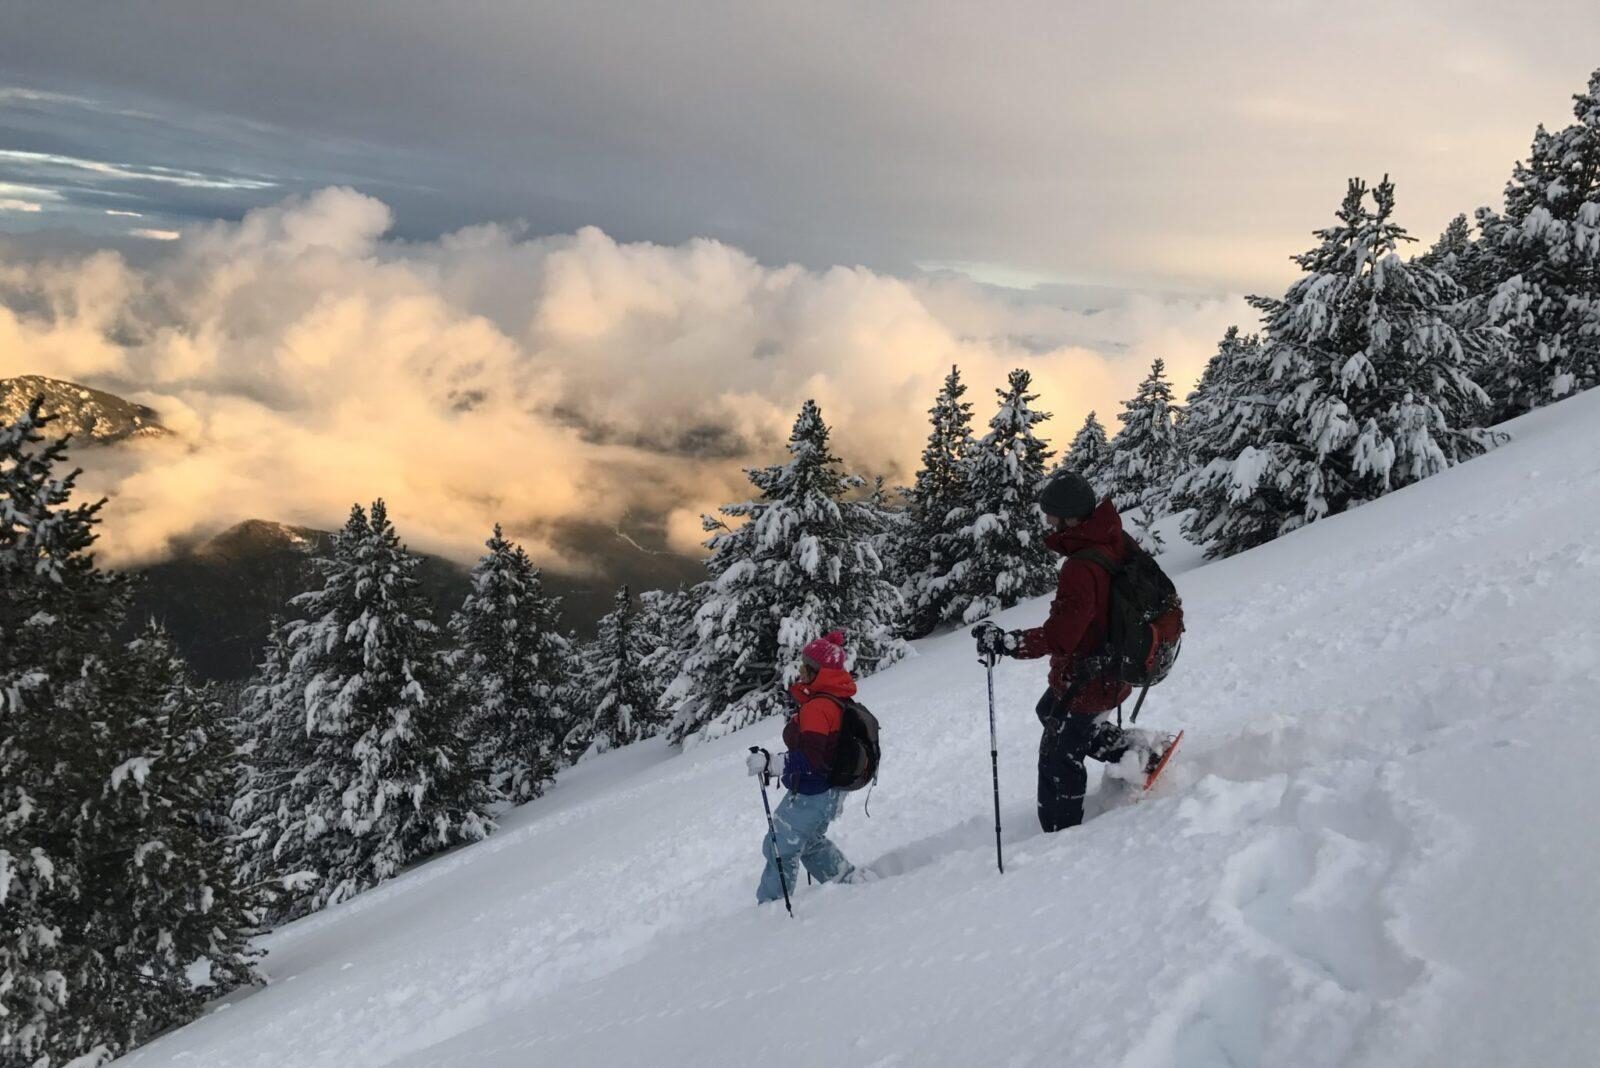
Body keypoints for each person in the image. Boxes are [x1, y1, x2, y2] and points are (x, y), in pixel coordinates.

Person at [973, 472, 1172, 832]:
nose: (1047, 521)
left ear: (1071, 517)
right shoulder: (1111, 537)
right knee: (1048, 710)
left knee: (1058, 756)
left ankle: (1060, 836)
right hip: (1108, 665)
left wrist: (1008, 643)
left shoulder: (1081, 566)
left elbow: (1063, 635)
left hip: (1092, 674)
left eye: (1052, 514)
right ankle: (1137, 755)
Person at [747, 630, 860, 903]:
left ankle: (771, 909)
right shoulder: (835, 698)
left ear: (817, 671)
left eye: (804, 666)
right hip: (830, 791)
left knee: (780, 845)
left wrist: (772, 763)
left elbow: (812, 758)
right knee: (809, 843)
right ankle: (849, 883)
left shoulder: (819, 707)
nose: (799, 671)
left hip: (814, 793)